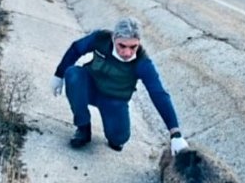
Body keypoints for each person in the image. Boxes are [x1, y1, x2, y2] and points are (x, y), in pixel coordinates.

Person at [50, 17, 189, 155]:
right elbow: (76, 49)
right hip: (90, 89)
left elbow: (158, 93)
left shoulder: (142, 63)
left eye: (133, 47)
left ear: (139, 43)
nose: (127, 53)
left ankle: (114, 136)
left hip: (114, 101)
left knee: (119, 138)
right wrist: (59, 74)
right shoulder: (100, 38)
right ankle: (83, 127)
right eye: (122, 46)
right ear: (113, 38)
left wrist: (175, 134)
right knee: (73, 74)